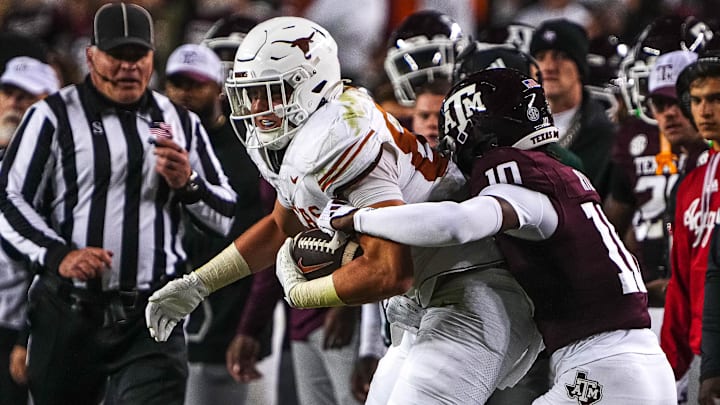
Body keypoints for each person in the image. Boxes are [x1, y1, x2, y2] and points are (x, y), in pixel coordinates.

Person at [145, 16, 542, 405]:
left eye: (270, 92)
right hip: (428, 294)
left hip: (473, 285)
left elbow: (391, 271)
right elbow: (280, 227)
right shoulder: (310, 132)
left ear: (309, 85)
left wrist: (304, 294)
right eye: (251, 94)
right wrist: (199, 284)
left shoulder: (341, 137)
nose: (256, 107)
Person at [320, 68, 677, 404]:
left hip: (604, 370)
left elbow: (455, 224)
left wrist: (360, 218)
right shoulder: (559, 177)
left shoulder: (522, 185)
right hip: (638, 364)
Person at [0, 4, 237, 404]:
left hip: (152, 314)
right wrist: (58, 255)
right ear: (92, 56)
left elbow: (224, 215)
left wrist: (189, 184)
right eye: (117, 55)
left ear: (151, 57)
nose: (128, 67)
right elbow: (9, 199)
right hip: (69, 310)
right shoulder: (51, 117)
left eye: (137, 56)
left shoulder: (176, 120)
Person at [163, 42, 265, 405]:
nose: (185, 93)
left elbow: (257, 235)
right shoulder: (154, 143)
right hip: (169, 293)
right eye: (177, 83)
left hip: (228, 297)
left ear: (219, 89)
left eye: (197, 83)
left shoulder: (247, 150)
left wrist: (249, 322)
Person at [606, 50, 709, 339]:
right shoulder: (636, 140)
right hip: (653, 307)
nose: (669, 113)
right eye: (660, 104)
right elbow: (614, 229)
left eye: (678, 100)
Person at [0, 55, 59, 405]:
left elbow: (51, 263)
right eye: (8, 92)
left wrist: (27, 336)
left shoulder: (58, 170)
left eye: (26, 96)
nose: (13, 103)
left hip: (23, 327)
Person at [665, 53, 720, 405]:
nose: (704, 111)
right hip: (704, 349)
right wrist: (669, 365)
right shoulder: (688, 186)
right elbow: (681, 279)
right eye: (697, 101)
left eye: (715, 99)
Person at [530, 18, 617, 199]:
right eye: (540, 57)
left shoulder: (604, 133)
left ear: (580, 68)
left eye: (560, 56)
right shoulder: (515, 125)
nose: (549, 66)